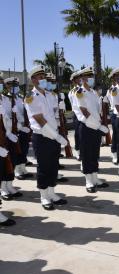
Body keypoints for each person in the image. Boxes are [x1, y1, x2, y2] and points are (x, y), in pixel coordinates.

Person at [24, 66, 68, 210]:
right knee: (43, 167)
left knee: (54, 165)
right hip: (42, 136)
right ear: (33, 80)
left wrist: (59, 111)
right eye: (40, 77)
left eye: (44, 77)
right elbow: (39, 119)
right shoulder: (31, 97)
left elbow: (53, 115)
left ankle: (51, 192)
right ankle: (44, 196)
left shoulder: (50, 95)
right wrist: (56, 136)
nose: (43, 79)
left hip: (53, 135)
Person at [73, 67, 109, 193]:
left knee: (95, 153)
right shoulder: (79, 92)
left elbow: (97, 112)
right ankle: (89, 180)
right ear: (83, 79)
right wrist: (99, 126)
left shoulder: (94, 93)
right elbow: (85, 112)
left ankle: (95, 177)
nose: (91, 79)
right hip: (87, 126)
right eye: (89, 77)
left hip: (96, 126)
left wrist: (102, 102)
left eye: (91, 77)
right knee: (87, 155)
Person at [3, 77, 32, 180]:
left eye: (16, 85)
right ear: (7, 86)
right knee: (15, 152)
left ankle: (23, 168)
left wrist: (25, 125)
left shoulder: (19, 98)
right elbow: (6, 116)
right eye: (12, 85)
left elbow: (23, 113)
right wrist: (18, 125)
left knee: (24, 149)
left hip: (23, 128)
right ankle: (17, 170)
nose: (15, 87)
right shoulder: (6, 99)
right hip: (11, 130)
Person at [68, 71, 82, 161]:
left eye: (80, 78)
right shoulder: (73, 92)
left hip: (86, 115)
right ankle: (78, 152)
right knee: (78, 134)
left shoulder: (84, 89)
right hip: (77, 115)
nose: (79, 79)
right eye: (77, 78)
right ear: (73, 81)